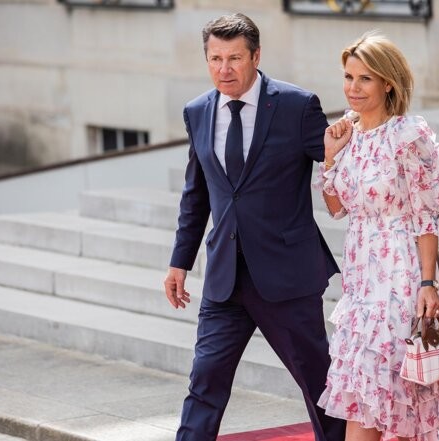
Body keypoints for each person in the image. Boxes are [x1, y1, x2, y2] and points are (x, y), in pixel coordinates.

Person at [163, 13, 346, 441]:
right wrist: (179, 262)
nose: (223, 69)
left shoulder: (298, 106)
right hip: (225, 278)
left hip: (287, 276)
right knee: (204, 382)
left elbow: (338, 171)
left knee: (318, 383)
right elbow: (198, 194)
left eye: (234, 58)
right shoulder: (198, 112)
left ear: (256, 56)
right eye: (215, 59)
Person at [315, 32, 439, 441]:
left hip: (400, 276)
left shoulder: (408, 136)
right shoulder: (349, 131)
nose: (353, 88)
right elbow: (338, 207)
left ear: (388, 83)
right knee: (363, 394)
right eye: (348, 77)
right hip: (360, 279)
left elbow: (425, 217)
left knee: (399, 399)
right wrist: (330, 154)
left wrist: (427, 283)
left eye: (365, 79)